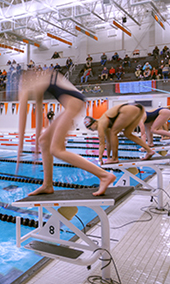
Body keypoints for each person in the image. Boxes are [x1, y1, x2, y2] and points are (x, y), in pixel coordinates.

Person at [17, 69, 116, 197]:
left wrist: (20, 149)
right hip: (73, 103)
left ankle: (104, 175)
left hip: (73, 104)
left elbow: (22, 117)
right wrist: (37, 143)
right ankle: (47, 185)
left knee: (57, 150)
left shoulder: (37, 83)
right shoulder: (43, 80)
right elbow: (38, 114)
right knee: (44, 140)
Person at [84, 104, 154, 164]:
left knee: (113, 133)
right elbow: (108, 143)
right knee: (127, 134)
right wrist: (108, 157)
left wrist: (100, 158)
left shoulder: (100, 125)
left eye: (90, 128)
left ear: (94, 122)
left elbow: (101, 144)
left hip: (126, 110)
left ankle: (115, 158)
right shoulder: (105, 125)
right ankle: (149, 151)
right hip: (137, 109)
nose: (92, 130)